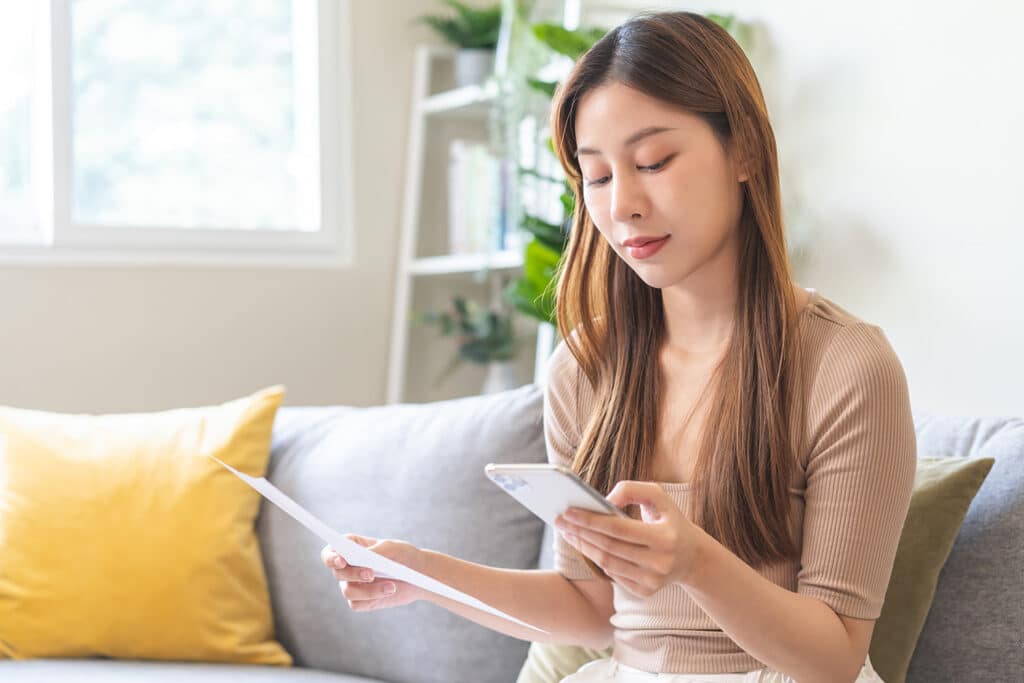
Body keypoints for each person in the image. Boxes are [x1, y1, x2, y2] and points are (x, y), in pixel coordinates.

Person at [320, 11, 915, 683]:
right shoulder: (585, 368)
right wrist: (422, 574)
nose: (623, 204)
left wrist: (694, 561)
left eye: (653, 162)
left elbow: (834, 656)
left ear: (744, 149)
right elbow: (595, 607)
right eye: (597, 177)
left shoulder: (847, 366)